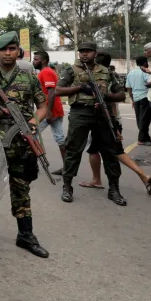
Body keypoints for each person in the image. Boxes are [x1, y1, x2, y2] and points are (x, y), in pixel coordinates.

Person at [0, 32, 49, 265]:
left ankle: (25, 235)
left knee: (21, 190)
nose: (7, 53)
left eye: (12, 48)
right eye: (3, 49)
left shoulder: (29, 78)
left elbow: (43, 106)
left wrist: (33, 123)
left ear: (18, 51)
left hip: (21, 146)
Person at [55, 42, 126, 206]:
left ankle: (114, 189)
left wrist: (105, 96)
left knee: (110, 151)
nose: (85, 54)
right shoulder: (71, 70)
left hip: (102, 114)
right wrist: (80, 87)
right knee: (73, 150)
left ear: (95, 53)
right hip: (80, 113)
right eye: (82, 52)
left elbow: (121, 94)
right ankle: (67, 187)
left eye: (88, 51)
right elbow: (58, 90)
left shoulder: (107, 71)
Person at [77, 53, 151, 195]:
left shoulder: (104, 79)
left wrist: (115, 126)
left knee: (117, 152)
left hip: (108, 121)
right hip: (110, 121)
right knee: (95, 150)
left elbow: (112, 105)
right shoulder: (110, 76)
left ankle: (144, 176)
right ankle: (97, 179)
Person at [33, 50, 65, 175]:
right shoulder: (45, 72)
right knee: (60, 138)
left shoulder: (46, 72)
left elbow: (51, 92)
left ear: (44, 61)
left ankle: (34, 164)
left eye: (36, 59)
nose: (34, 61)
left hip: (48, 110)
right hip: (51, 110)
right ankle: (67, 167)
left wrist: (49, 112)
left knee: (31, 134)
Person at [125, 55, 151, 145]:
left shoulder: (131, 73)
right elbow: (150, 82)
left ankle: (146, 137)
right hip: (145, 96)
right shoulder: (144, 72)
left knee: (139, 118)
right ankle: (141, 139)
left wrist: (132, 99)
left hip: (136, 97)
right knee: (145, 119)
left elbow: (129, 87)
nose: (147, 63)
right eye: (147, 62)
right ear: (144, 62)